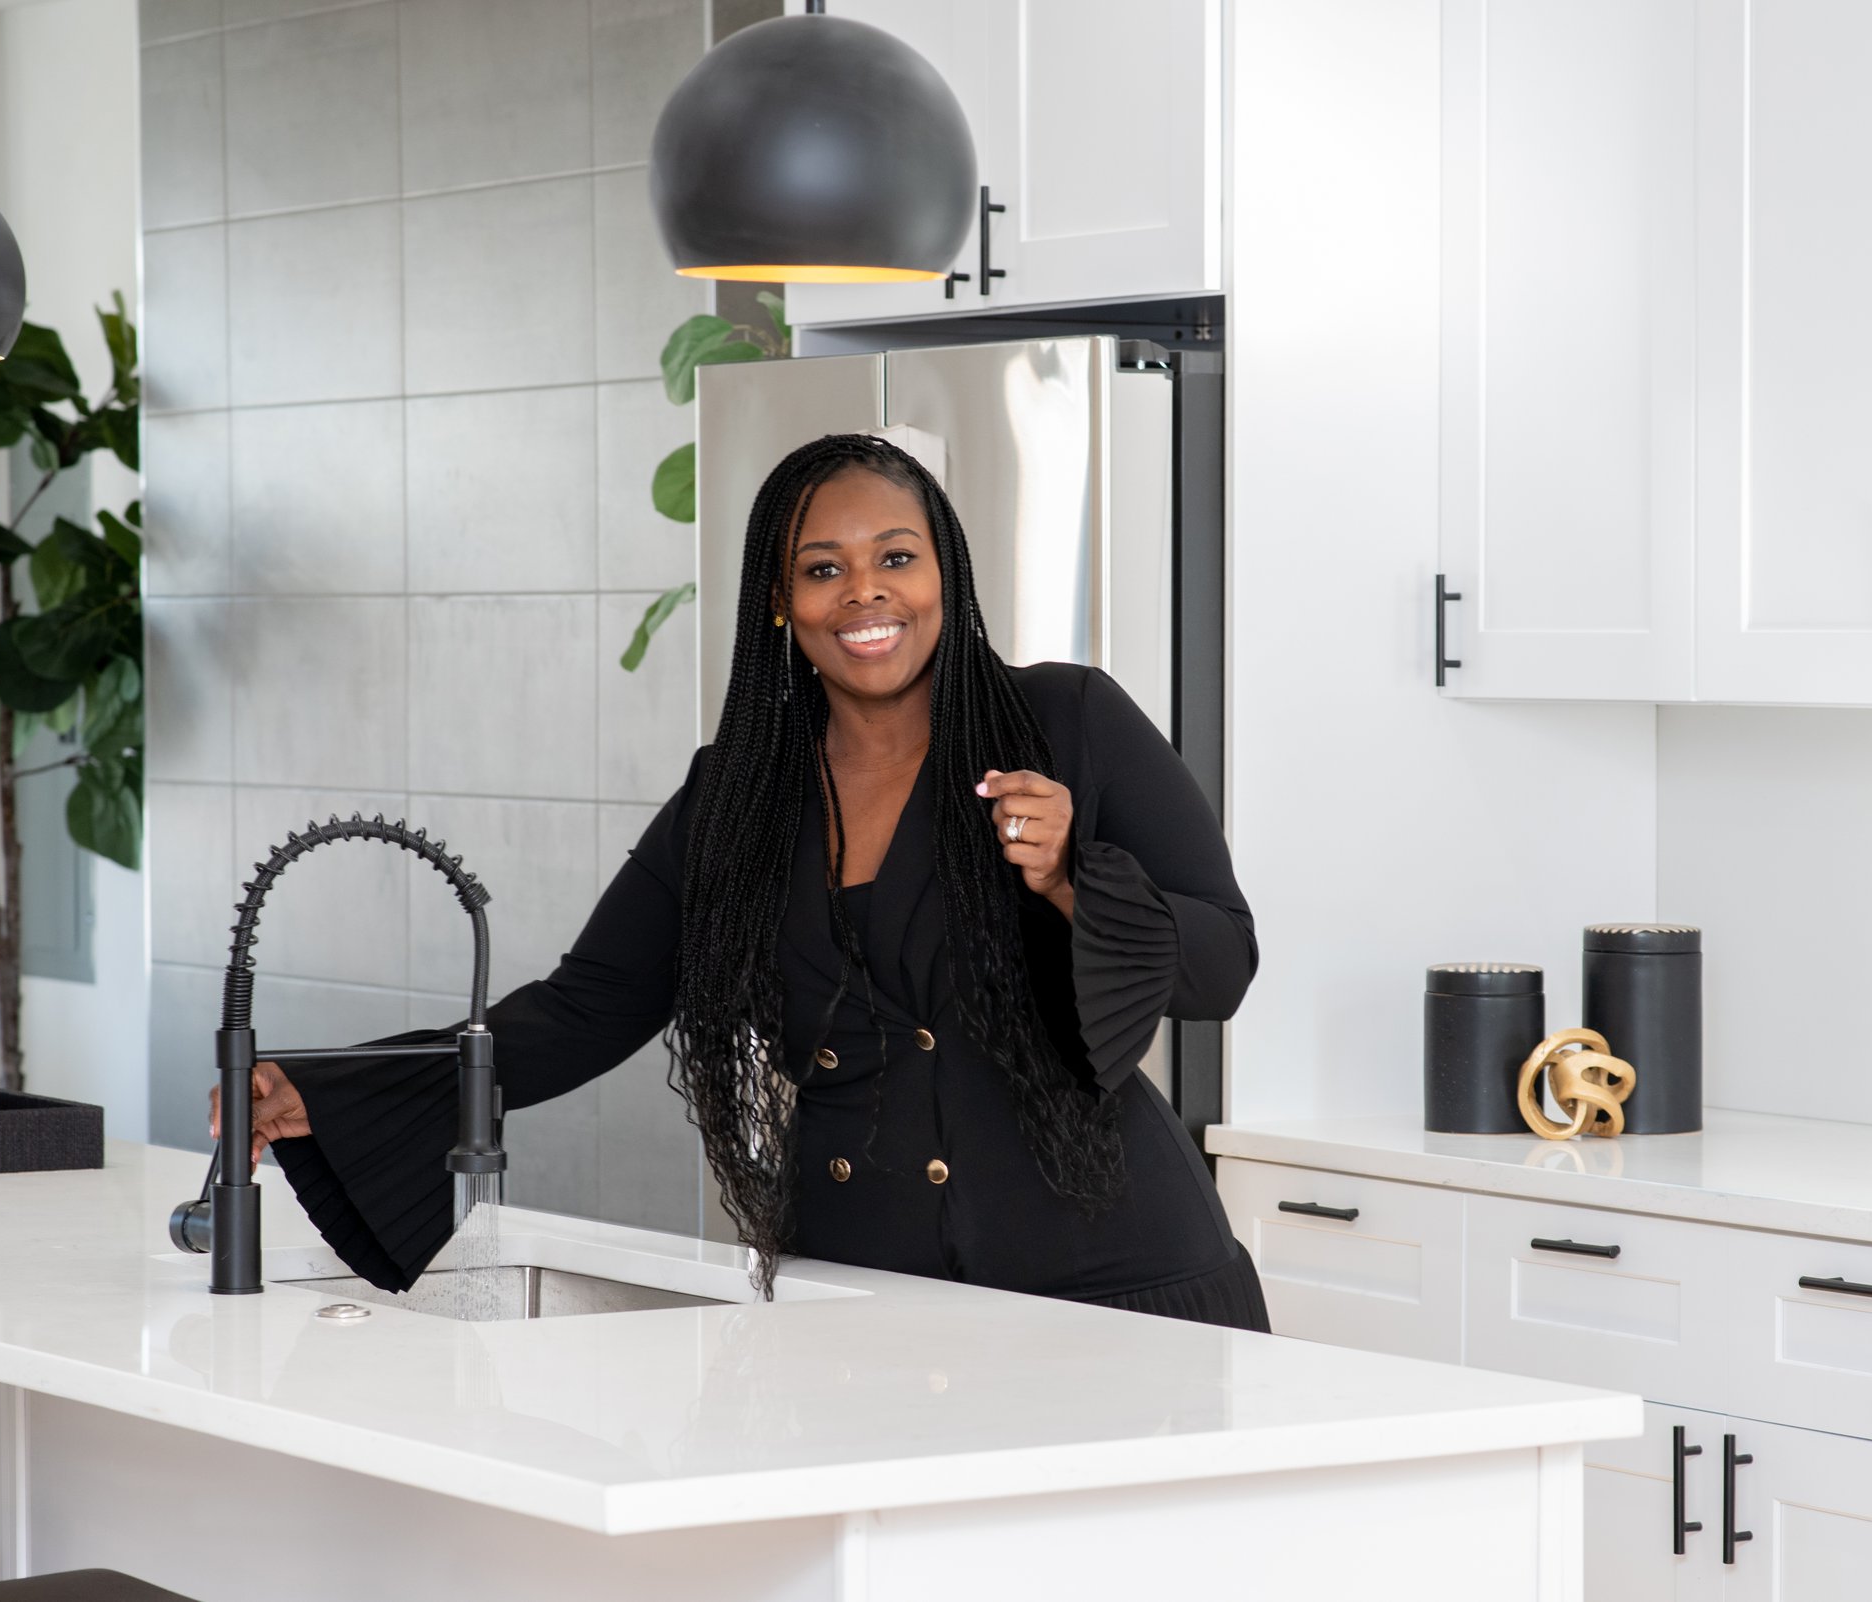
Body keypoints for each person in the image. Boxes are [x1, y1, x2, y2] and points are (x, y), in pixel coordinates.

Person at [216, 433, 1266, 1330]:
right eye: (823, 568)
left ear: (944, 570)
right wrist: (330, 1088)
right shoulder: (736, 798)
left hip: (1114, 1281)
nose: (865, 592)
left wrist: (1077, 880)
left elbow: (1220, 965)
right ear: (779, 602)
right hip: (860, 1292)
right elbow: (583, 1012)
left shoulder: (1070, 721)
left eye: (896, 556)